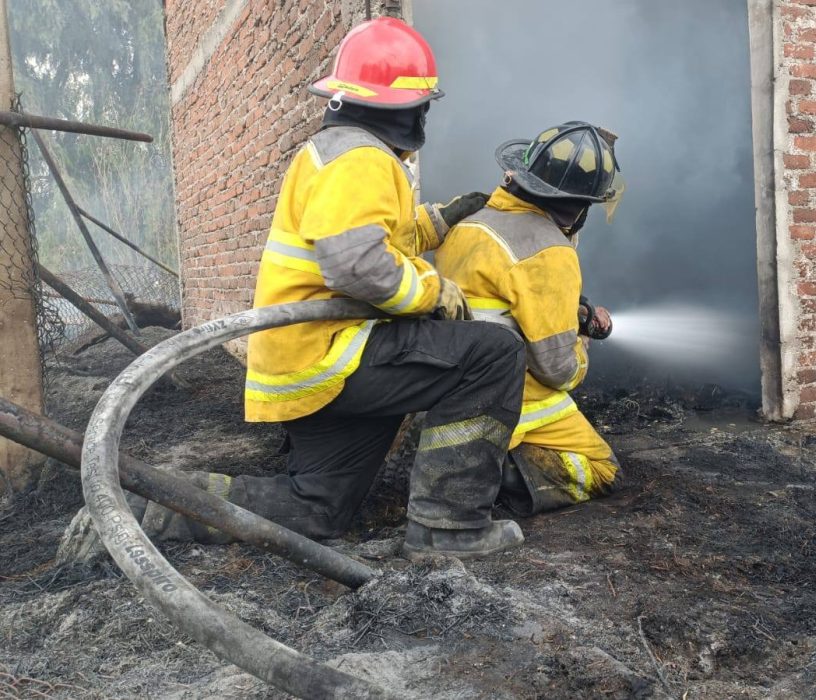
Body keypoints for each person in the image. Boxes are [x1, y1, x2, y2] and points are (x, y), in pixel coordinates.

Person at [143, 18, 528, 559]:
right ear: (408, 109)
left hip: (303, 364)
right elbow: (356, 264)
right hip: (333, 354)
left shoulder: (334, 151)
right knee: (496, 355)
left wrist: (438, 221)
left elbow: (370, 233)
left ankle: (166, 504)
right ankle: (451, 529)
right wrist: (430, 289)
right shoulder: (363, 158)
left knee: (317, 510)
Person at [434, 121, 624, 516]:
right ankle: (497, 474)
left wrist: (568, 310)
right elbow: (558, 371)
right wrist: (581, 338)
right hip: (513, 397)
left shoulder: (470, 224)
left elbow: (504, 298)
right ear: (579, 205)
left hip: (444, 384)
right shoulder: (550, 251)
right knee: (603, 470)